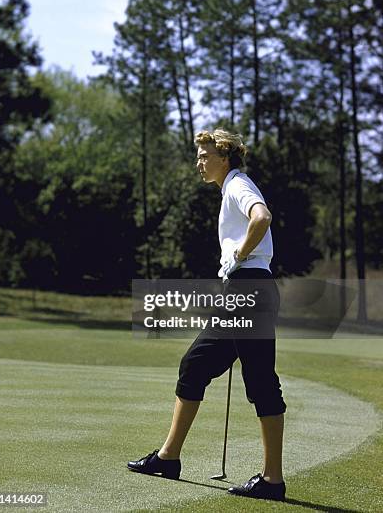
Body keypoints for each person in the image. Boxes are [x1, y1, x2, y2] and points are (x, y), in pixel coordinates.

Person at [128, 129, 286, 502]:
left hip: (247, 291)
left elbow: (261, 218)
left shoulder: (236, 184)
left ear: (225, 156)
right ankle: (171, 457)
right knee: (204, 368)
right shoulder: (232, 185)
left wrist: (239, 255)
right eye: (198, 156)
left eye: (204, 156)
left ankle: (270, 479)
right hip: (253, 291)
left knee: (213, 369)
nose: (198, 163)